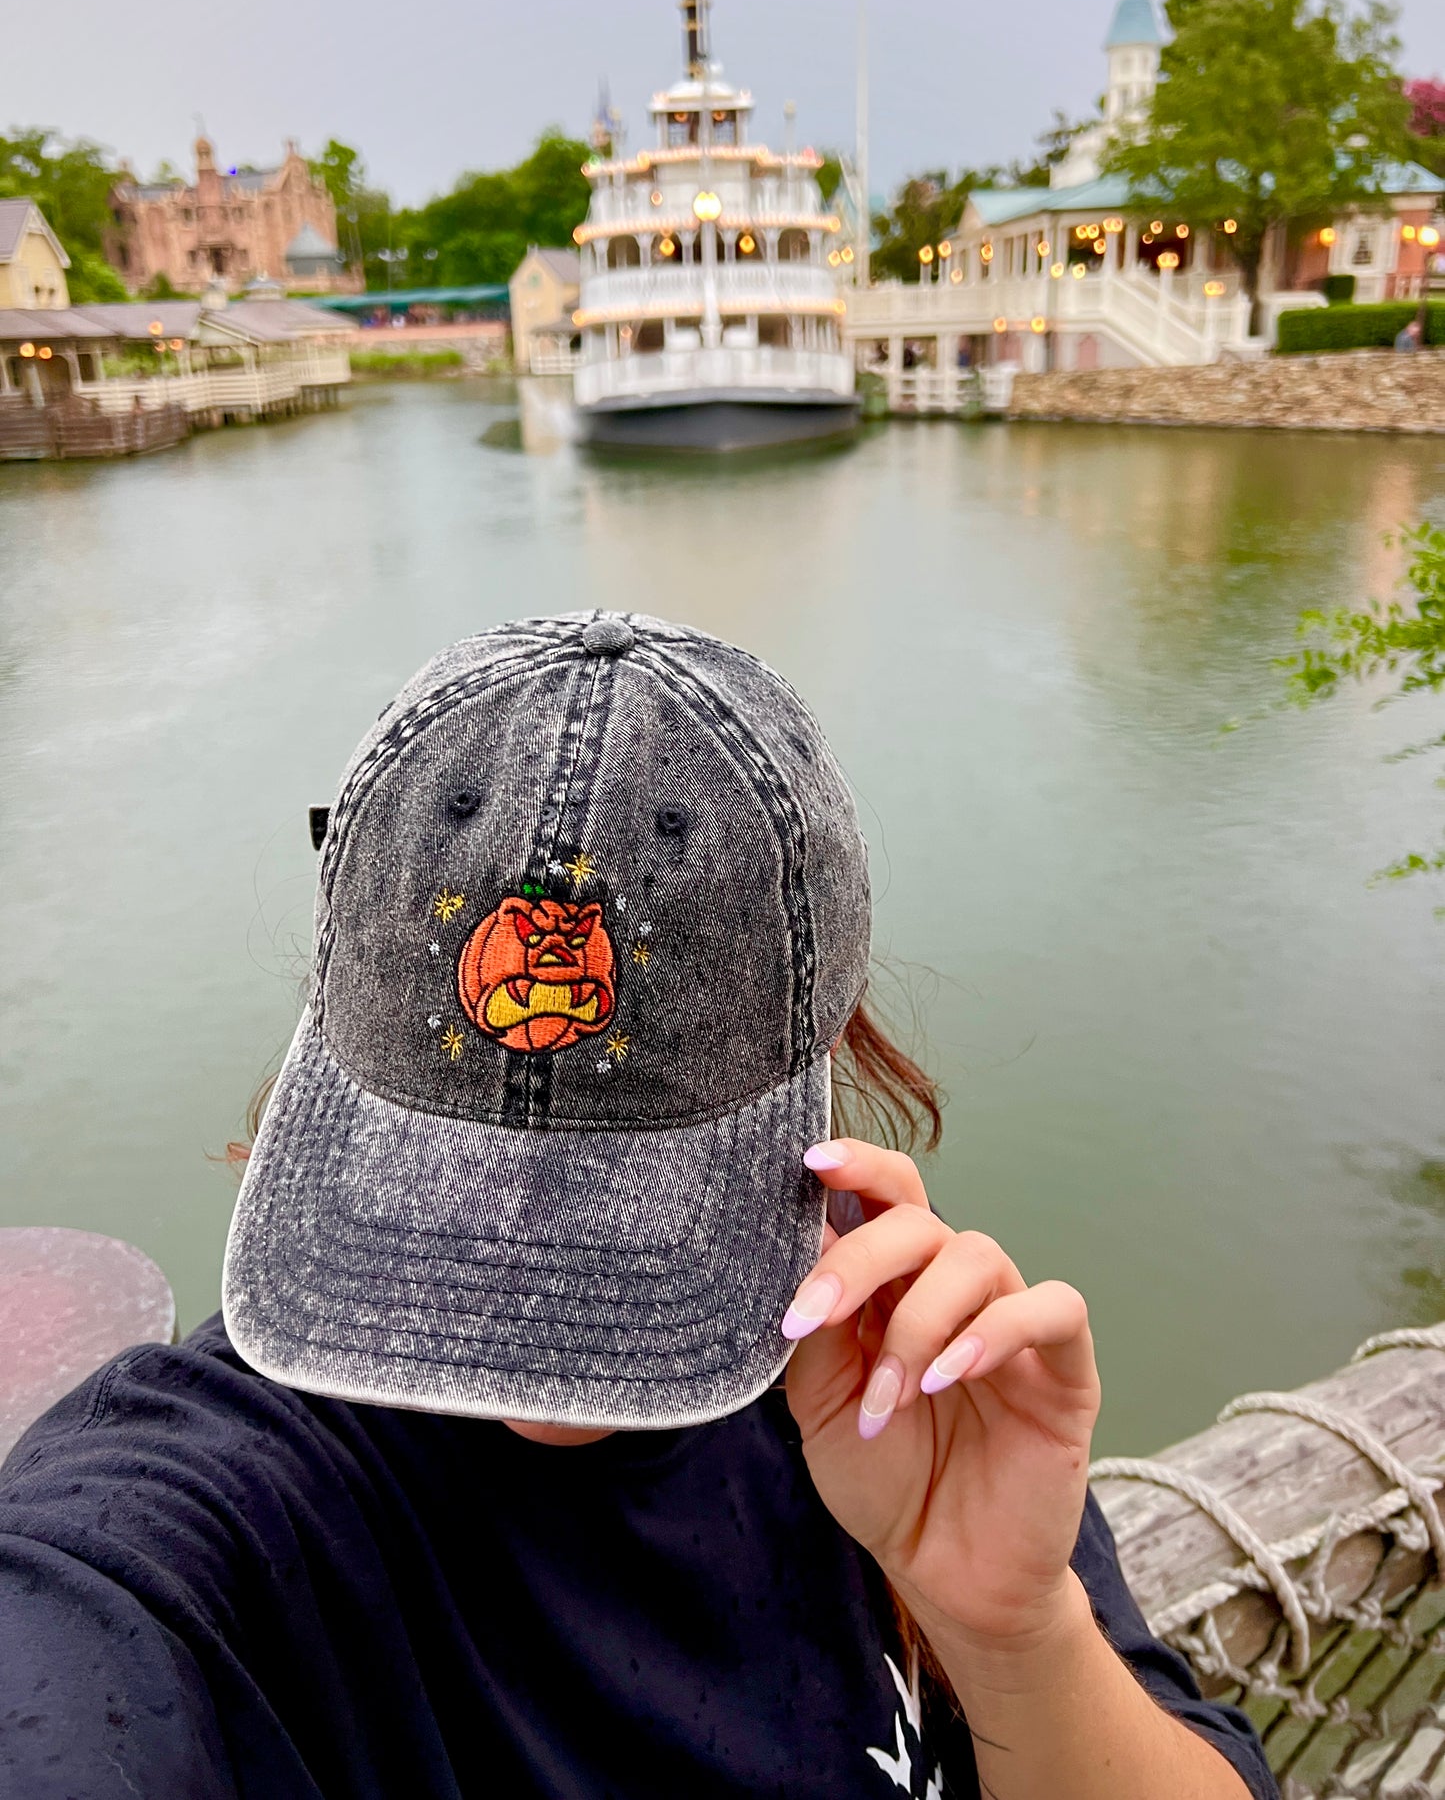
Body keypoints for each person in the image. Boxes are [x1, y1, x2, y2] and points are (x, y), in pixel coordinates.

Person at [0, 613, 1278, 1800]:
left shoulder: (909, 1385)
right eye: (464, 1173)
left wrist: (1011, 1628)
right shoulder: (226, 1499)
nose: (531, 1302)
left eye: (627, 1182)